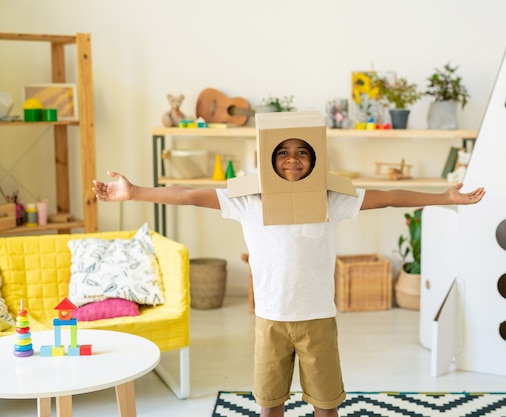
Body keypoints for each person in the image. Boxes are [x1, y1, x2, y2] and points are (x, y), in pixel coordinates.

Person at [92, 138, 485, 417]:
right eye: (283, 152)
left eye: (301, 153)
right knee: (269, 402)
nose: (293, 160)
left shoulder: (332, 199)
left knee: (327, 403)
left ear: (314, 160)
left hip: (317, 318)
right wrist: (136, 192)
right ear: (270, 159)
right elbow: (190, 194)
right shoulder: (247, 200)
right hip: (270, 320)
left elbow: (388, 196)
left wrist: (444, 198)